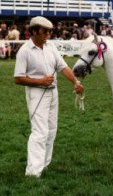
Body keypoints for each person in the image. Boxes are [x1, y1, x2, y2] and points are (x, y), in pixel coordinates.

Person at [14, 16, 84, 178]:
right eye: (45, 31)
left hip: (53, 92)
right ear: (34, 31)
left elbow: (63, 67)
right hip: (36, 93)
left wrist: (75, 81)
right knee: (40, 131)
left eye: (50, 31)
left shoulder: (51, 47)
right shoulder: (24, 51)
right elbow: (17, 78)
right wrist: (40, 81)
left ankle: (43, 165)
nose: (48, 34)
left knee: (51, 130)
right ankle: (32, 172)